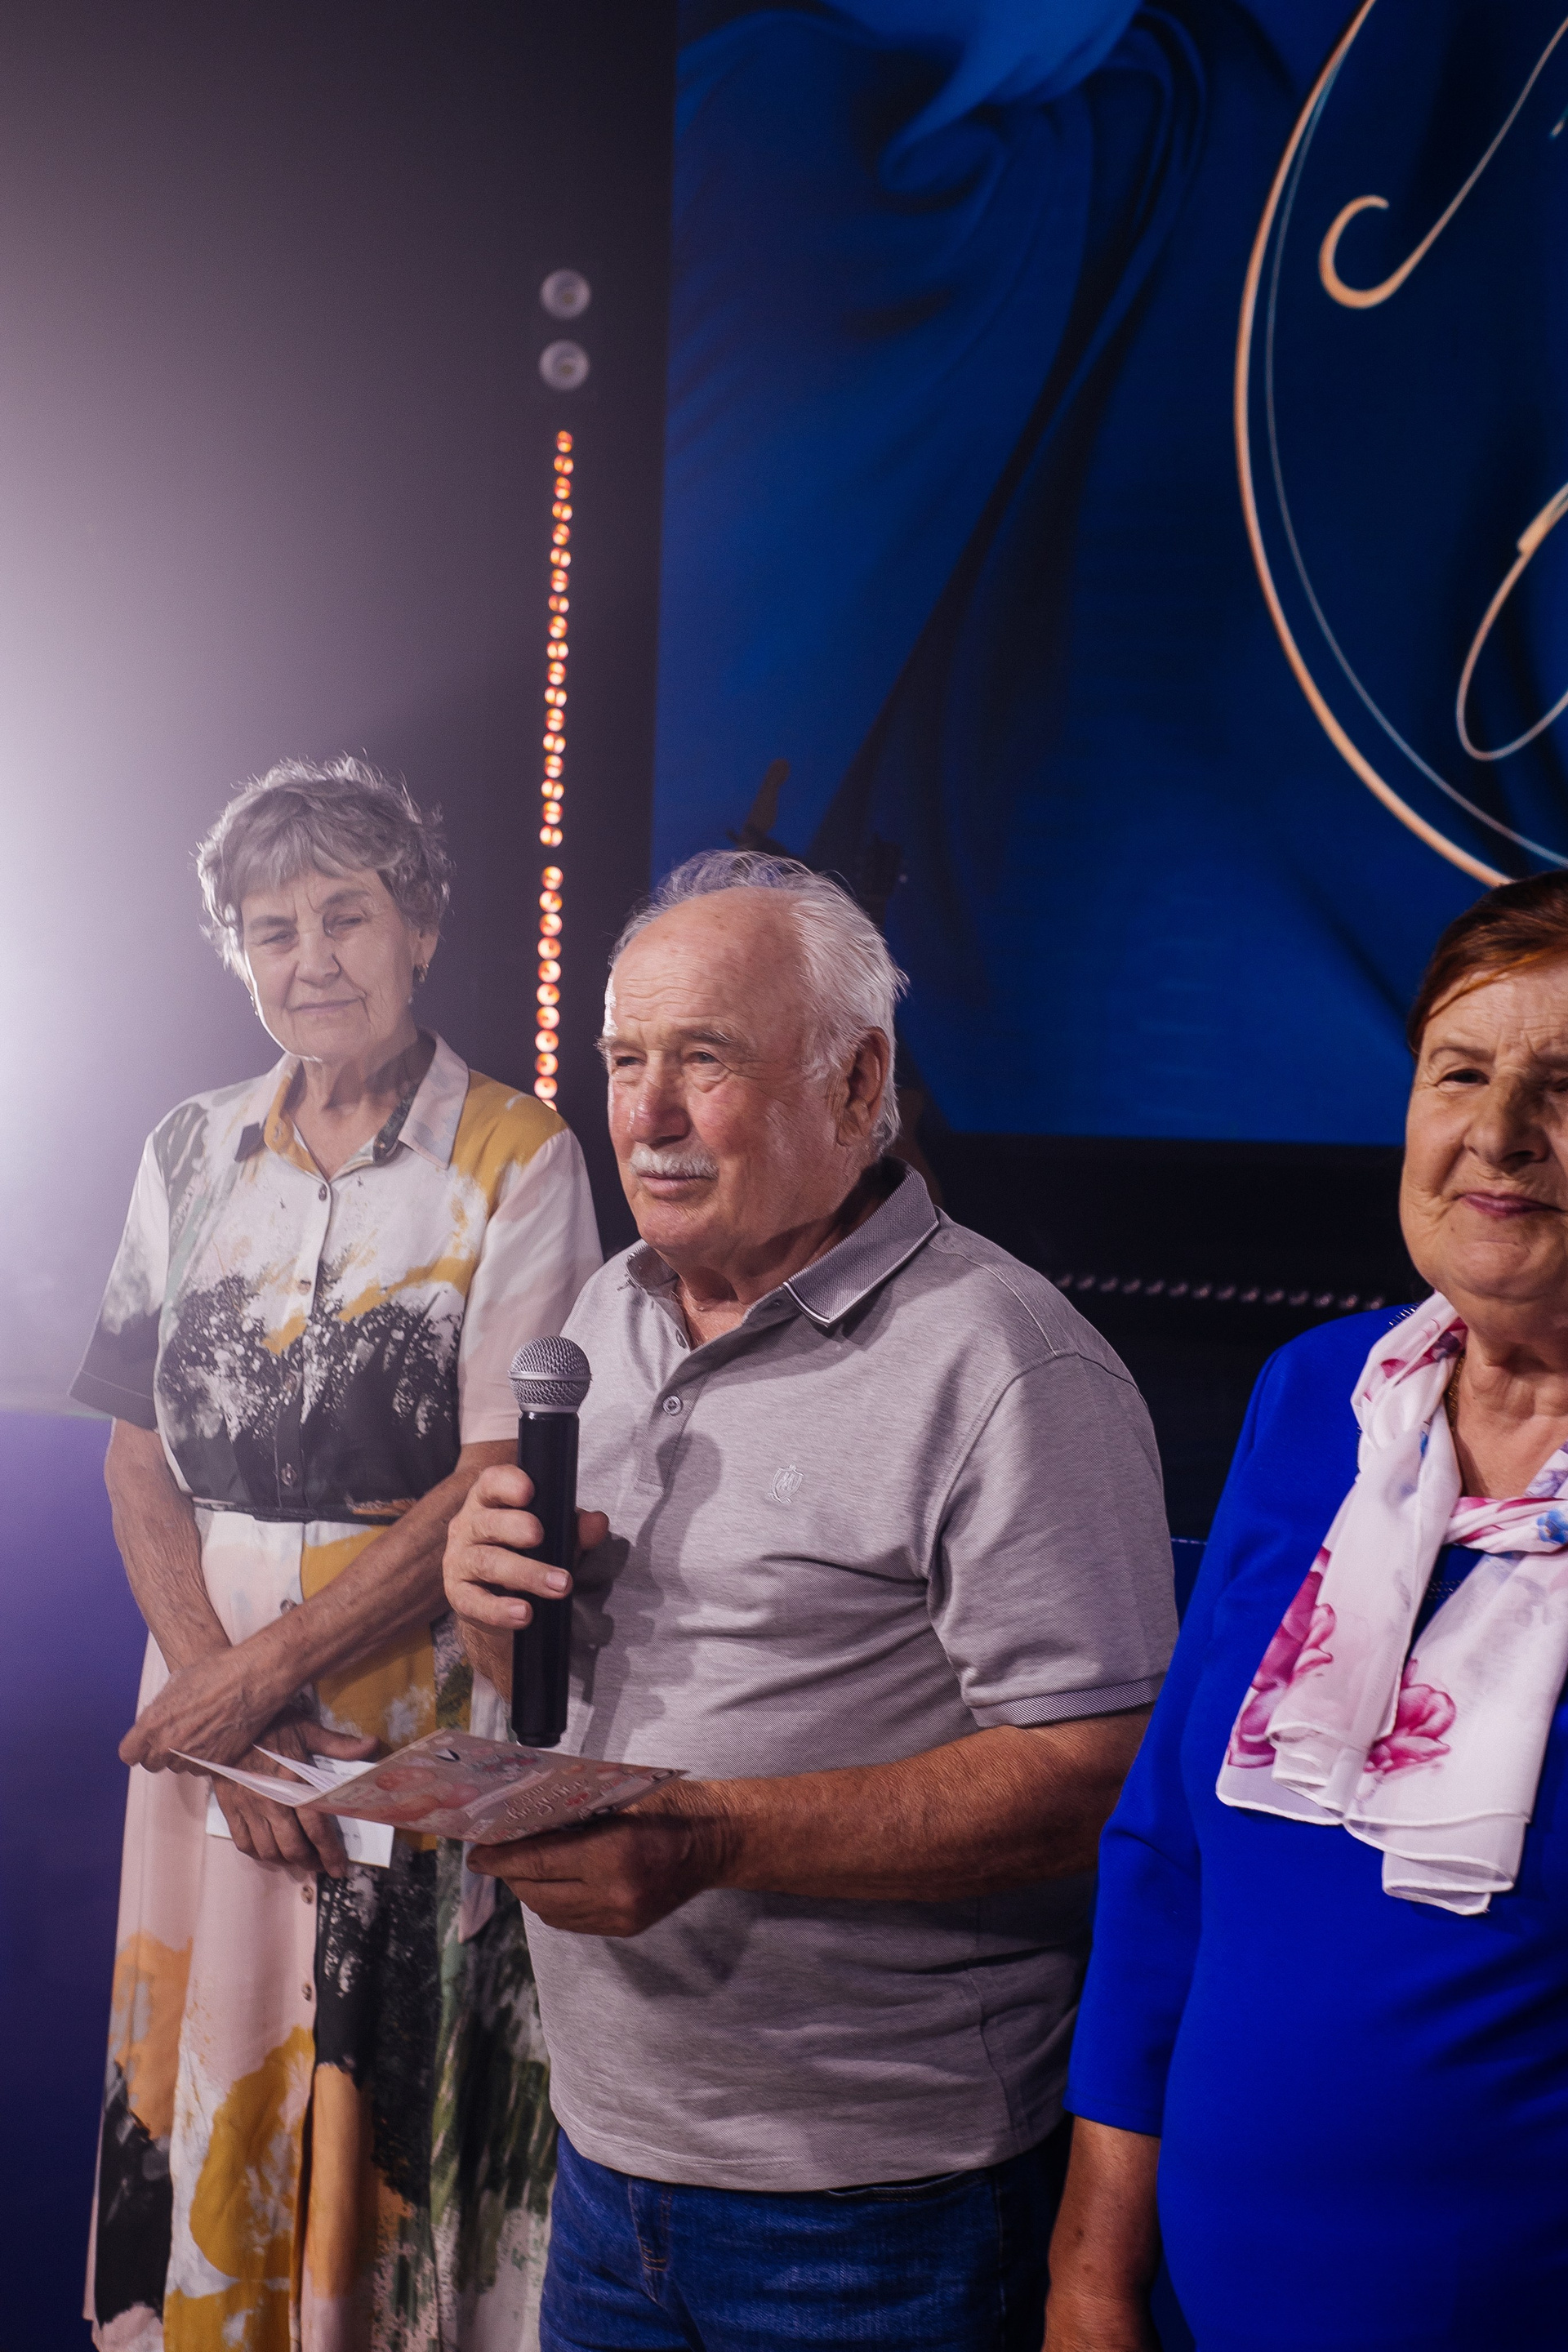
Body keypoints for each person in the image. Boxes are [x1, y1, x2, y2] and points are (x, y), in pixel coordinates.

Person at [442, 849, 1178, 2352]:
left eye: (703, 1061)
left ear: (859, 1084)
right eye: (624, 1061)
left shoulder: (1007, 1365)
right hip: (605, 2159)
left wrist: (715, 1838)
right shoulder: (605, 1314)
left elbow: (1100, 1778)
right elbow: (564, 1688)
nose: (645, 1116)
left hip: (880, 2207)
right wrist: (488, 1609)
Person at [73, 760, 601, 2352]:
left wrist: (259, 1689)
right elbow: (136, 1455)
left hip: (406, 1712)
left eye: (345, 917)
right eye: (273, 928)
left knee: (386, 2109)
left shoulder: (519, 1153)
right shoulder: (185, 1149)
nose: (310, 959)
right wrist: (221, 1714)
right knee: (217, 2059)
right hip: (209, 1718)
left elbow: (497, 1472)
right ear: (237, 952)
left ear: (420, 925)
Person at [1049, 871, 1568, 2352]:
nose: (1499, 1133)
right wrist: (1090, 2278)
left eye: (1566, 1085)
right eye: (1459, 1072)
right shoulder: (1315, 1402)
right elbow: (1166, 1854)